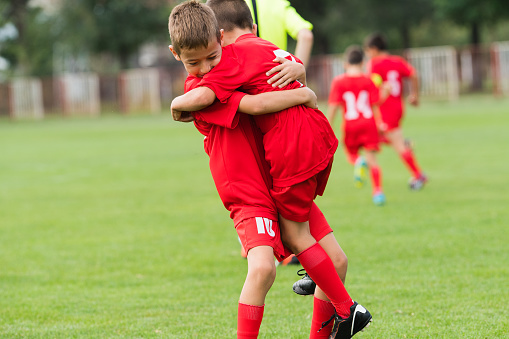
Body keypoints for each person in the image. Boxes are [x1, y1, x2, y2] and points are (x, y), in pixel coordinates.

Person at [169, 1, 371, 338]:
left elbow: (259, 93)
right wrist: (304, 86)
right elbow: (243, 103)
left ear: (222, 39)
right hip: (249, 191)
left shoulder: (235, 68)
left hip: (277, 175)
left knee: (318, 251)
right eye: (194, 62)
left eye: (212, 57)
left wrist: (300, 77)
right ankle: (344, 307)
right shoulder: (205, 88)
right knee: (270, 267)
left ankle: (343, 313)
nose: (205, 68)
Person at [244, 0, 314, 265]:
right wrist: (295, 70)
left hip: (243, 101)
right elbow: (306, 33)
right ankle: (293, 244)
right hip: (282, 103)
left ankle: (257, 243)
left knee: (252, 175)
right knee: (285, 177)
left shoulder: (225, 5)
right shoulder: (276, 5)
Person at [364, 32, 428, 190]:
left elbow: (370, 85)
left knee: (388, 141)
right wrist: (414, 96)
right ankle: (405, 145)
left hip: (386, 108)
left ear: (373, 49)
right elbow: (414, 75)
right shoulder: (397, 61)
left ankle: (418, 175)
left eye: (368, 51)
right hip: (398, 107)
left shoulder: (374, 64)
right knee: (374, 136)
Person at [327, 45, 389, 206]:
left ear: (345, 63)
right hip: (369, 123)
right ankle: (378, 193)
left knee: (350, 154)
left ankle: (358, 161)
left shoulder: (338, 81)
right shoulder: (368, 80)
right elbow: (375, 103)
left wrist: (327, 127)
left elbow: (333, 107)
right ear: (363, 62)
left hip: (350, 124)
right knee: (373, 159)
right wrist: (385, 95)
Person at [244, 0, 313, 67]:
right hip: (277, 74)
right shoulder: (279, 4)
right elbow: (306, 36)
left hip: (244, 75)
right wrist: (296, 74)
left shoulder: (236, 5)